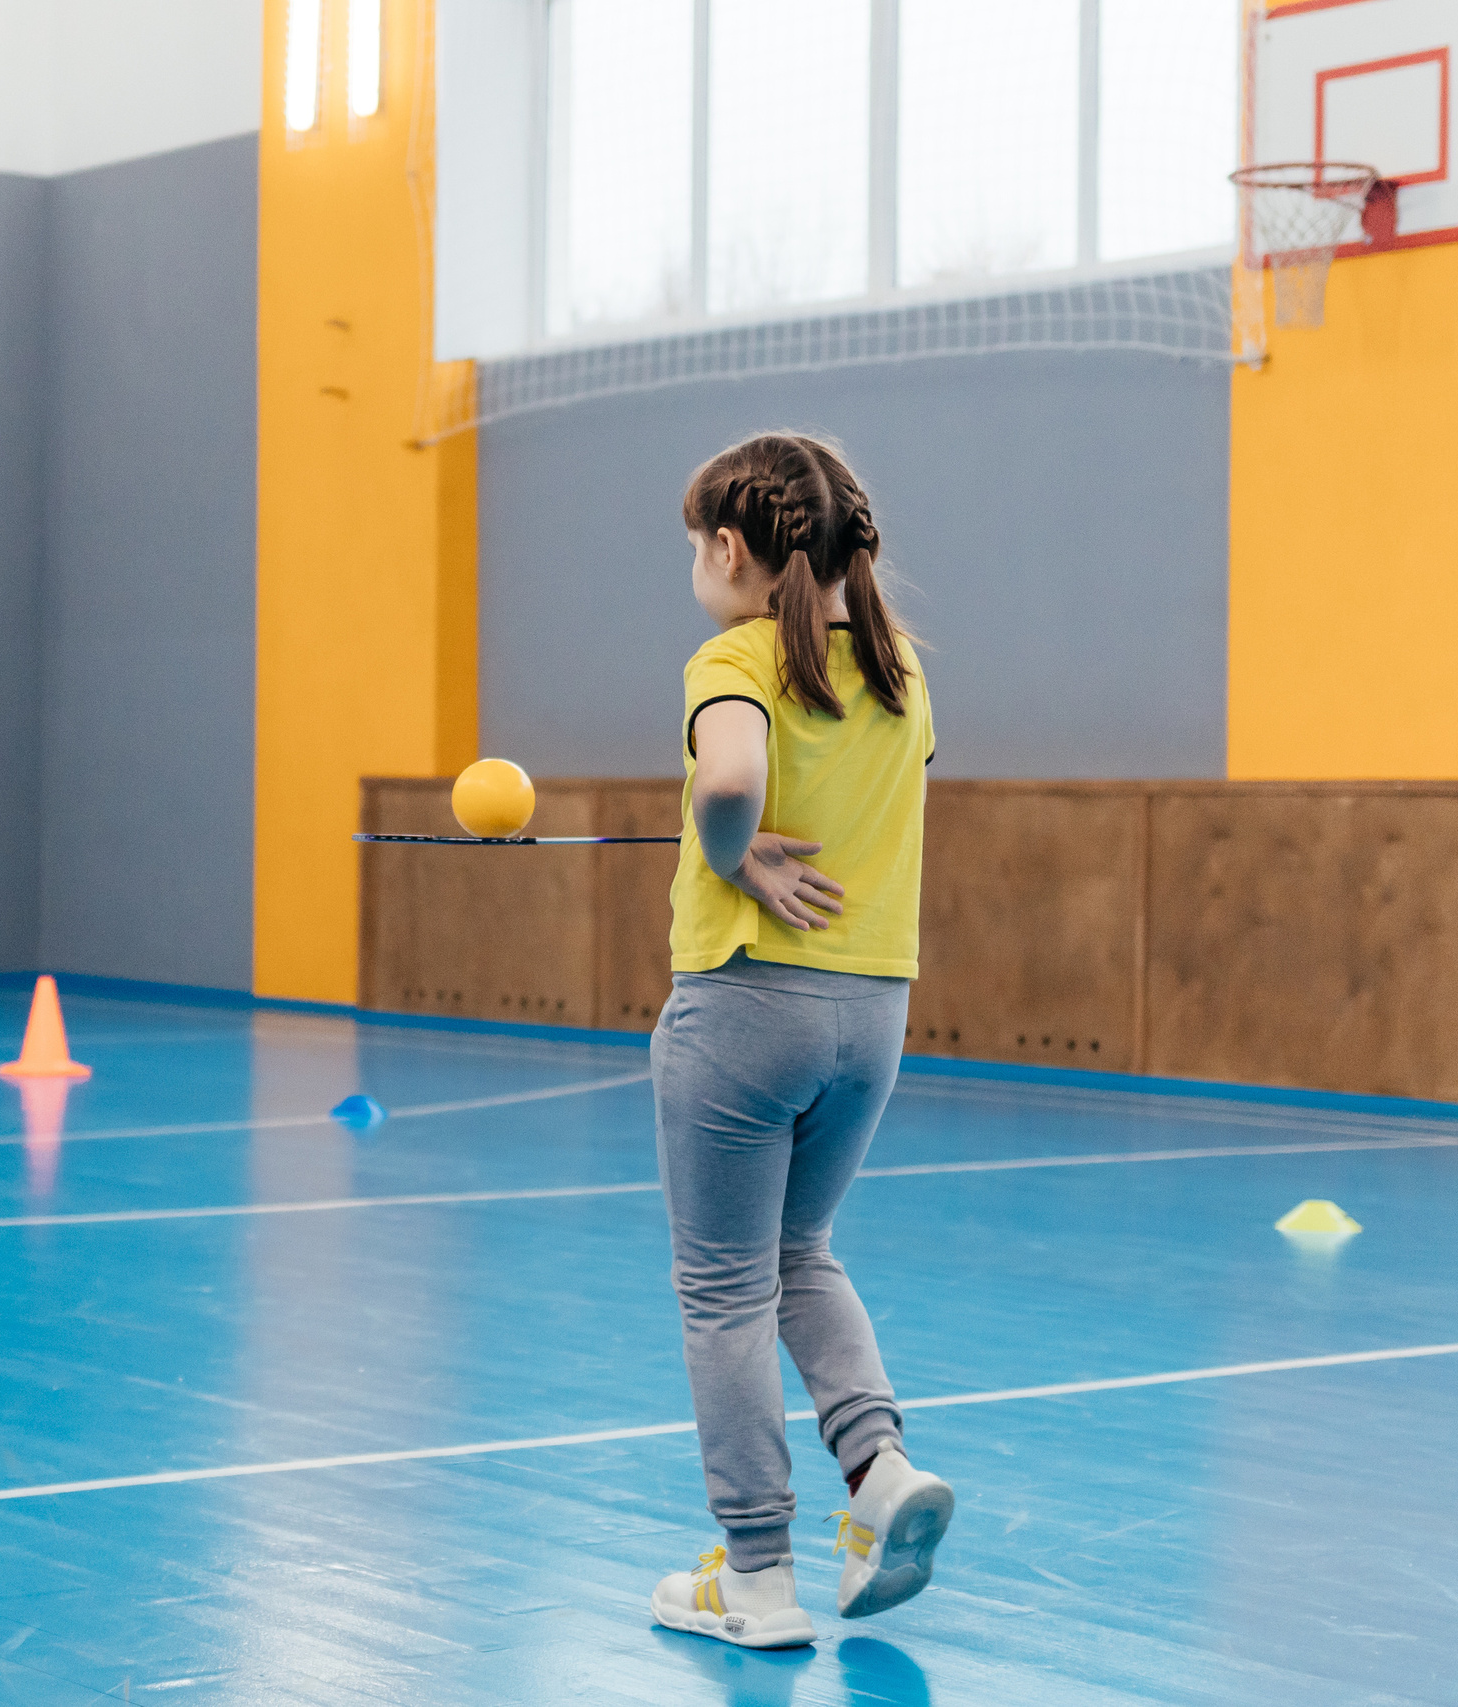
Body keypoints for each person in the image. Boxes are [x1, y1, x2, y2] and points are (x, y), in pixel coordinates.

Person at [647, 431, 954, 1649]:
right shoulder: (903, 673)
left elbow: (732, 780)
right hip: (869, 1016)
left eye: (691, 544)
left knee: (722, 1290)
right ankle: (878, 1471)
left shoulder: (732, 659)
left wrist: (731, 852)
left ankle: (758, 1577)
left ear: (730, 547)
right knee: (799, 1253)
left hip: (745, 1005)